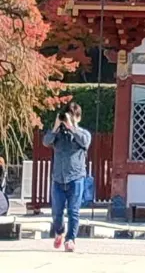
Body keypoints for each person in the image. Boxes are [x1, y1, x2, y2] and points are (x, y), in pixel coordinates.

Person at [42, 101, 91, 252]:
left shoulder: (83, 134)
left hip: (76, 178)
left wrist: (72, 127)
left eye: (72, 117)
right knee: (56, 212)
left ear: (78, 118)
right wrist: (56, 126)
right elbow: (46, 141)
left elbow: (85, 142)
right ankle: (59, 232)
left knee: (73, 211)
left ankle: (71, 239)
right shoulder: (57, 135)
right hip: (58, 178)